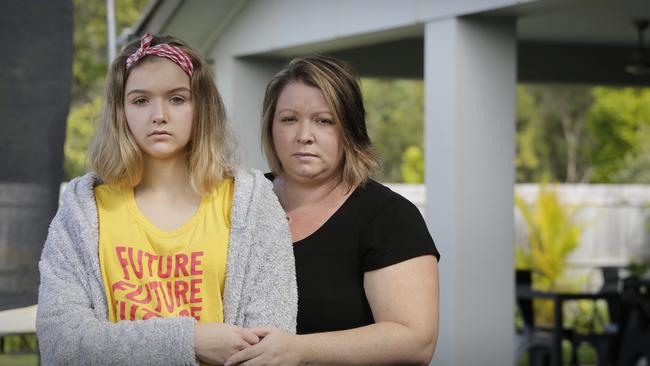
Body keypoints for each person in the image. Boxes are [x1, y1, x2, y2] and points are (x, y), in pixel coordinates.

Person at [36, 33, 297, 366]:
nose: (158, 115)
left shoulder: (251, 203)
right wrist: (190, 341)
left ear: (201, 105)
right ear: (121, 110)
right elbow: (63, 345)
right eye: (140, 100)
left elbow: (269, 347)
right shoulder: (83, 209)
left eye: (176, 99)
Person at [225, 55, 440, 366]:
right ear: (271, 128)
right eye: (288, 119)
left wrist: (299, 350)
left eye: (323, 120)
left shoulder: (388, 216)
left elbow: (415, 341)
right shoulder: (238, 201)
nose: (304, 135)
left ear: (350, 130)